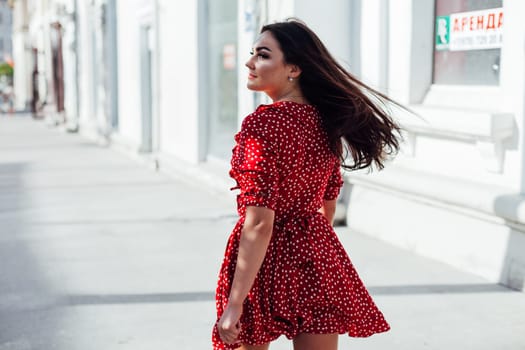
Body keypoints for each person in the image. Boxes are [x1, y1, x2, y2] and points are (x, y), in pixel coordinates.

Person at [213, 18, 401, 350]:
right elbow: (328, 203)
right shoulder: (324, 121)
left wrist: (235, 303)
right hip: (315, 254)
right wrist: (310, 246)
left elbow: (259, 224)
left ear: (294, 69)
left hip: (264, 263)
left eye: (263, 54)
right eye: (253, 53)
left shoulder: (263, 124)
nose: (250, 62)